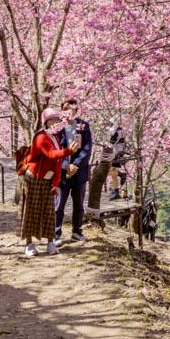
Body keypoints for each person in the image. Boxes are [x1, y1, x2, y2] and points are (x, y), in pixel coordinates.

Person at [16, 108, 71, 257]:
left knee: (48, 213)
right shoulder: (41, 137)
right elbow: (52, 155)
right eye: (51, 120)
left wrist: (56, 183)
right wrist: (69, 151)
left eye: (56, 120)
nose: (54, 123)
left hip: (47, 181)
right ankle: (29, 243)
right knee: (30, 211)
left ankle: (50, 242)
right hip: (33, 179)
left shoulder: (56, 138)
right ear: (46, 122)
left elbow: (57, 163)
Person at [51, 101, 93, 245]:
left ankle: (77, 231)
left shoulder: (83, 125)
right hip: (62, 172)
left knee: (78, 204)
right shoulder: (57, 128)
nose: (68, 111)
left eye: (71, 108)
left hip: (79, 171)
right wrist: (65, 165)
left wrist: (75, 164)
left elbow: (87, 148)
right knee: (59, 205)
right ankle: (56, 234)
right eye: (65, 108)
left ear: (76, 110)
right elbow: (54, 148)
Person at [89, 121, 127, 210]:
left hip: (114, 153)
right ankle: (116, 191)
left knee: (105, 171)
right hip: (118, 152)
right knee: (112, 172)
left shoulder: (115, 131)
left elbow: (112, 142)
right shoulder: (121, 130)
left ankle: (121, 175)